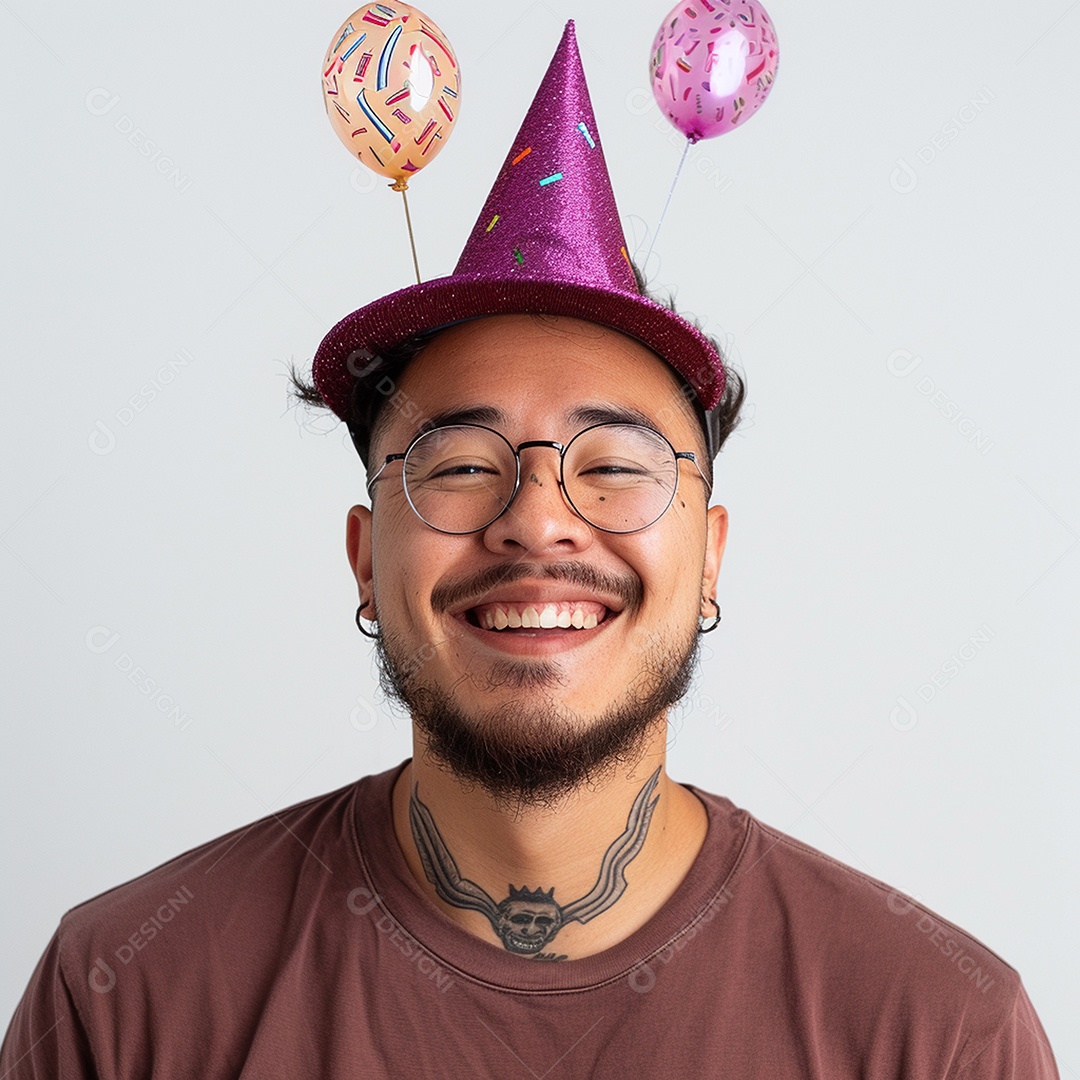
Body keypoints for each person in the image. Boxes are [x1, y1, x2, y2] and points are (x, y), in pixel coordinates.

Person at [0, 22, 1058, 1078]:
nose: (540, 519)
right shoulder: (126, 999)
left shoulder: (936, 1032)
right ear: (366, 559)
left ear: (711, 560)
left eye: (615, 467)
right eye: (458, 464)